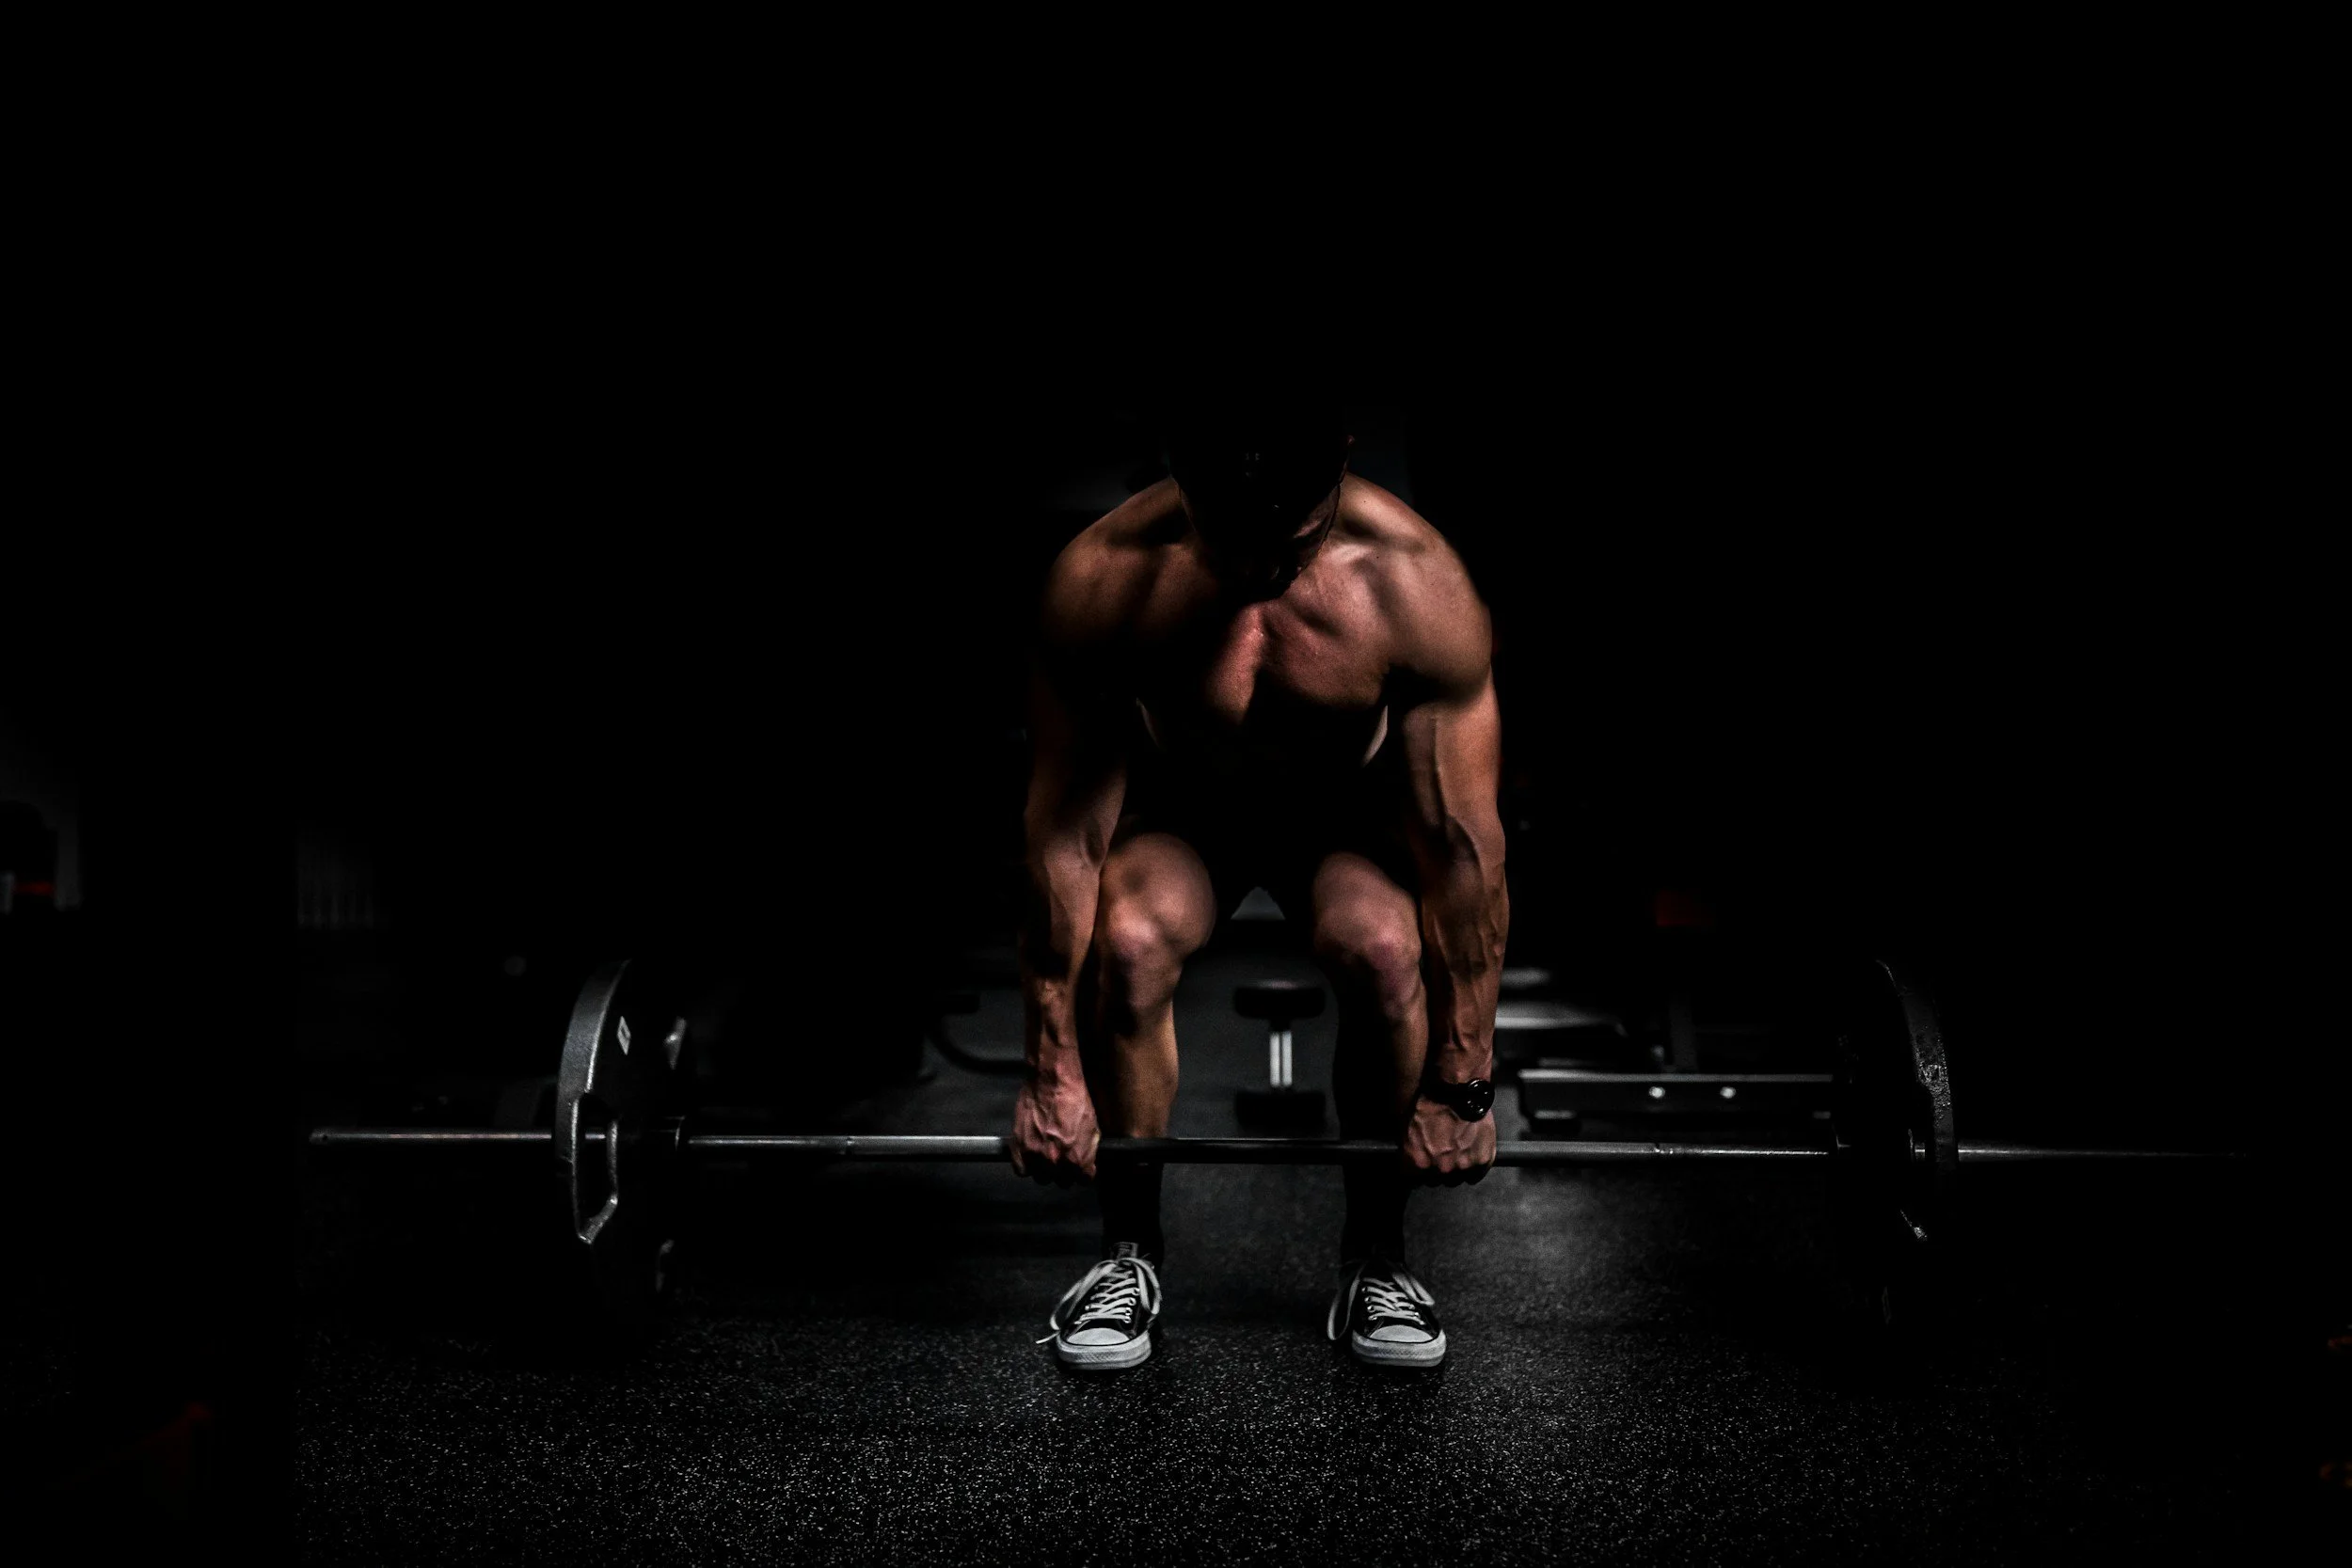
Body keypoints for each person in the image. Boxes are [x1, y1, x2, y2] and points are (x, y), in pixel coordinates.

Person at [1011, 402, 1508, 1370]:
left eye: (1288, 541)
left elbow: (1460, 853)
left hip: (1345, 822)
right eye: (1227, 540)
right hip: (1186, 816)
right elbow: (1064, 836)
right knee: (1128, 938)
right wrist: (1048, 1070)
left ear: (1340, 462)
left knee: (1385, 947)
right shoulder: (1104, 578)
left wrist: (1464, 1081)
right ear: (1174, 469)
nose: (1255, 573)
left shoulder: (1414, 584)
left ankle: (1376, 1257)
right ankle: (1126, 1254)